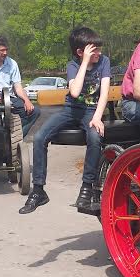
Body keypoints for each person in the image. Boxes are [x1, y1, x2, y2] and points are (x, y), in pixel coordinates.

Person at [20, 27, 111, 214]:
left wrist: (97, 117)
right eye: (94, 50)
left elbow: (104, 93)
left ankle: (87, 189)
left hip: (91, 111)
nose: (99, 53)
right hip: (70, 110)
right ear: (80, 52)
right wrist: (85, 62)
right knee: (39, 138)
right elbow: (75, 92)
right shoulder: (73, 66)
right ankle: (38, 190)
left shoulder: (104, 62)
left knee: (94, 137)